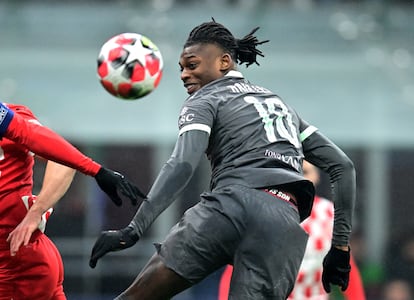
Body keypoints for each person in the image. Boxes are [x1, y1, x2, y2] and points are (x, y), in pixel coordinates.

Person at [89, 19, 356, 300]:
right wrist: (340, 249)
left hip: (228, 209)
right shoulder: (282, 107)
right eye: (181, 68)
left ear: (224, 62)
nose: (183, 74)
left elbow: (181, 164)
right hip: (281, 224)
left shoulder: (205, 99)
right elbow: (343, 167)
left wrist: (135, 228)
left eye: (192, 65)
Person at [0, 103, 145, 299]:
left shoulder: (13, 117)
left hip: (18, 266)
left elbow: (59, 158)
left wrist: (37, 211)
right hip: (27, 260)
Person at [218, 160, 366, 300]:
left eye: (305, 172)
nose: (299, 178)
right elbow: (237, 270)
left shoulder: (329, 214)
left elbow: (346, 270)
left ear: (316, 176)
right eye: (293, 172)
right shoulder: (265, 213)